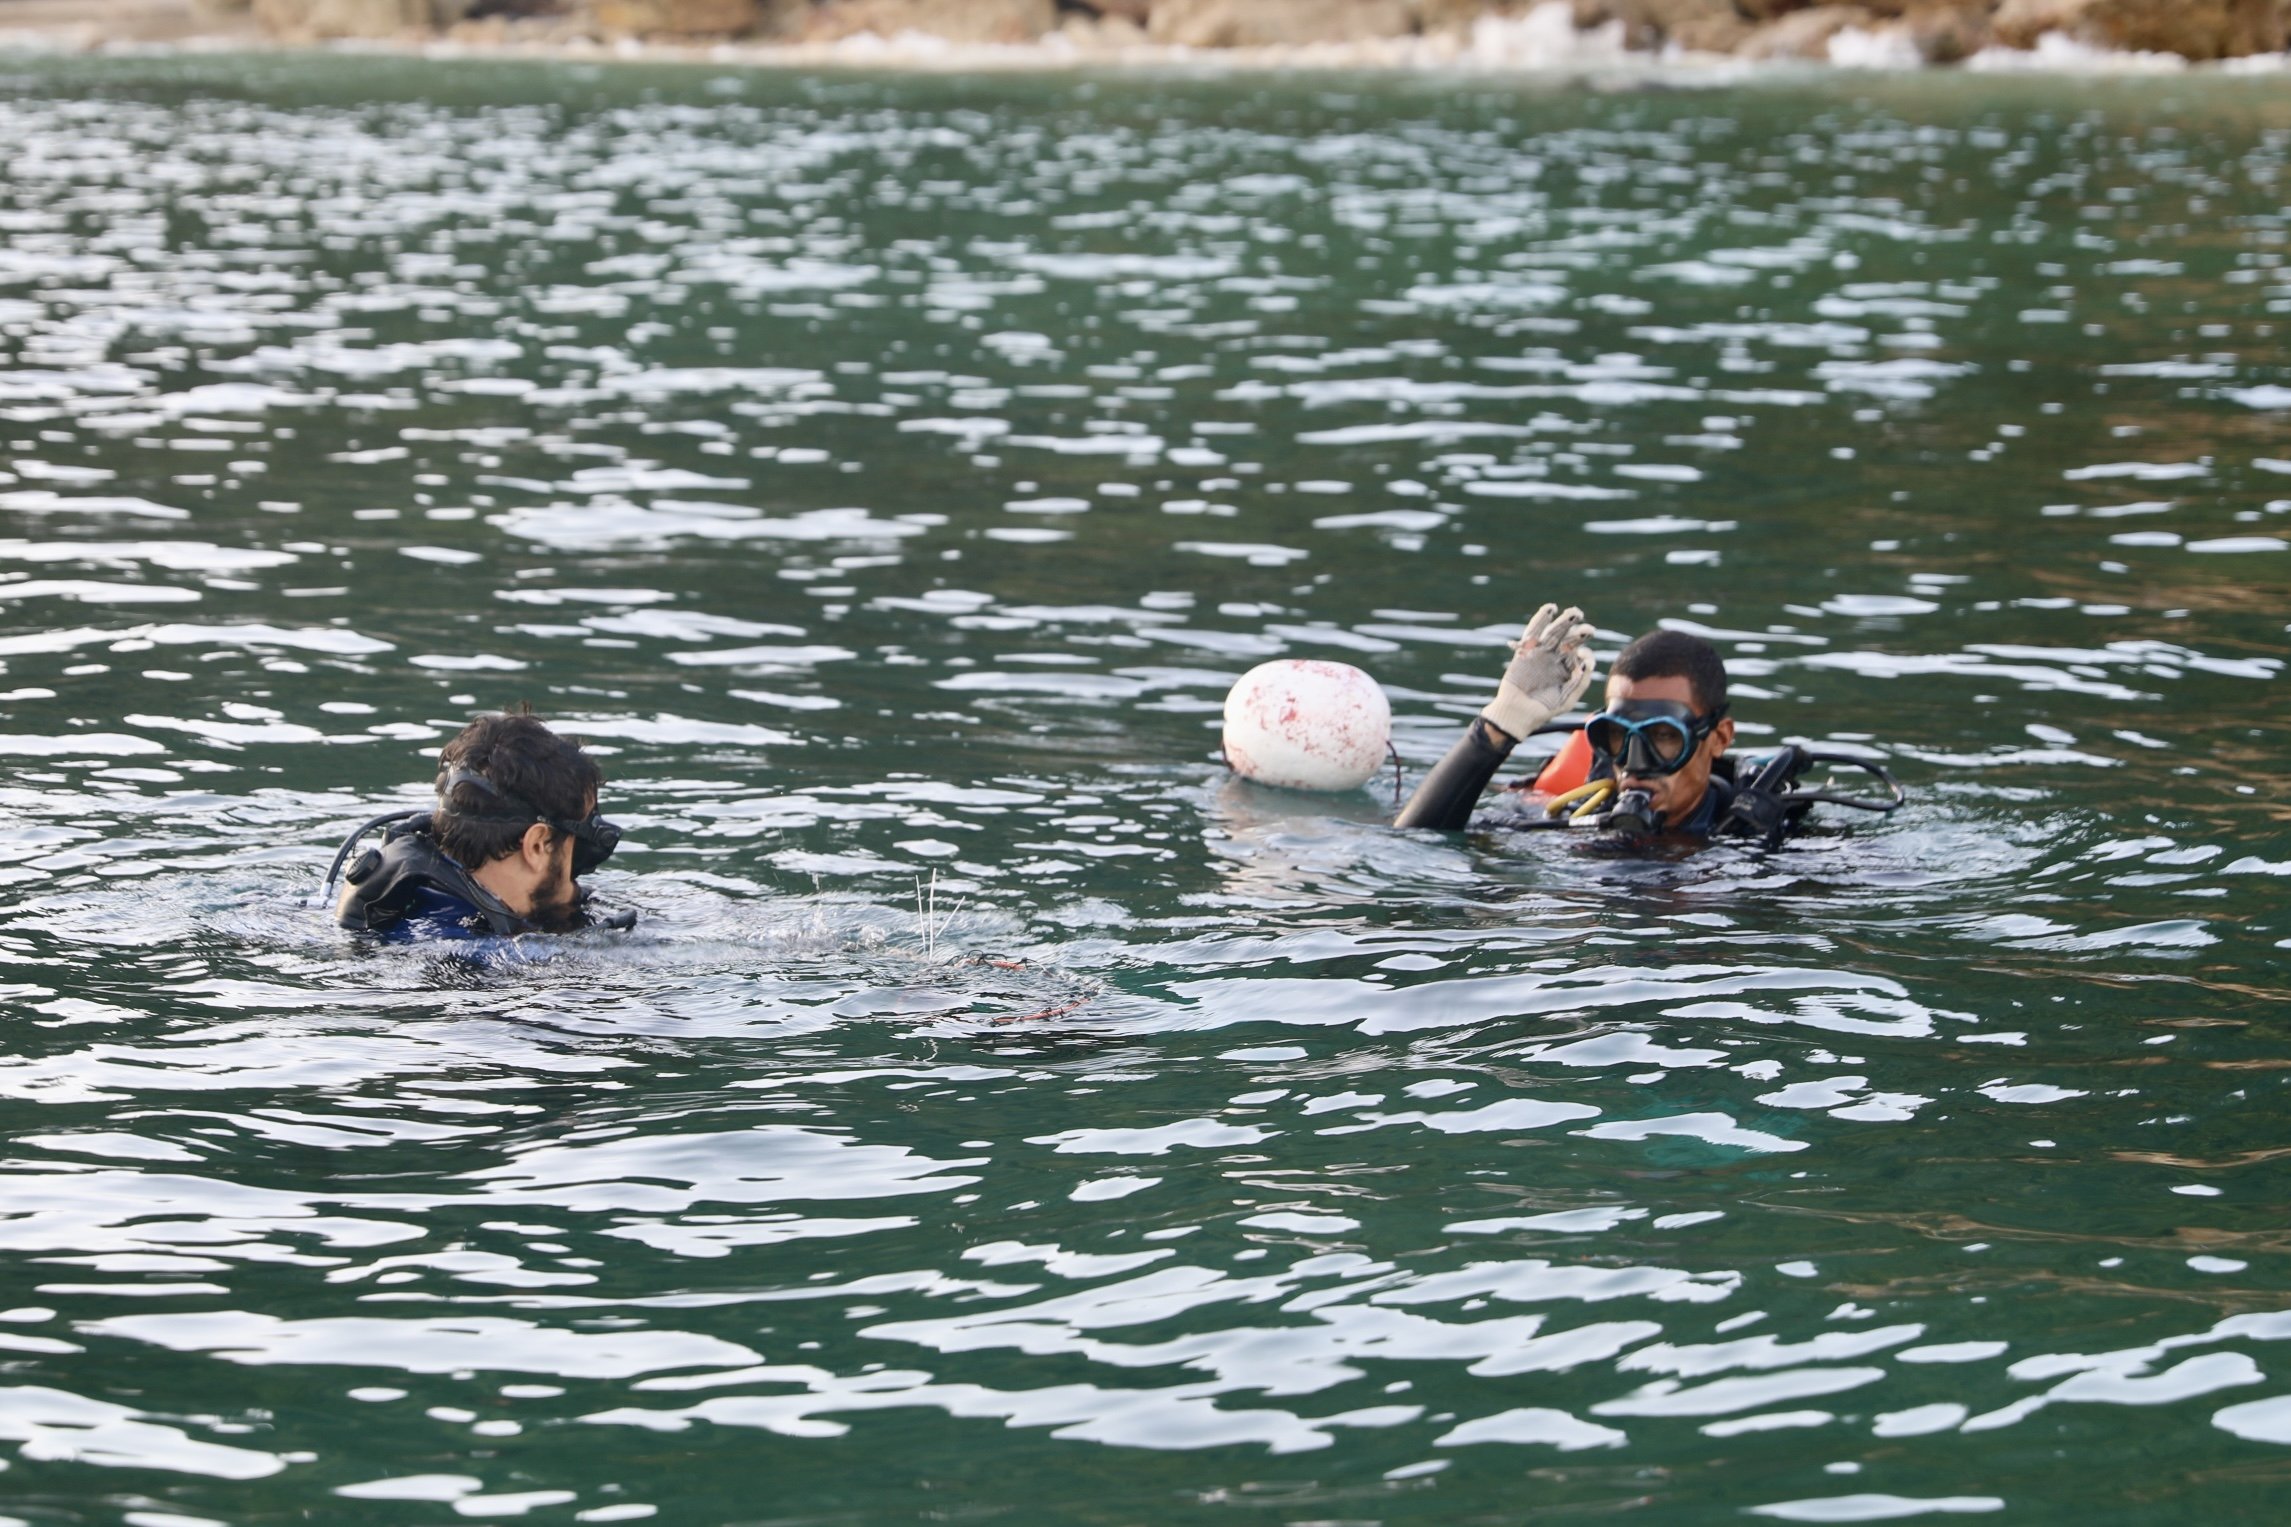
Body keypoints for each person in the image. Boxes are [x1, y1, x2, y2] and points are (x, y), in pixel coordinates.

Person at [1395, 609, 1741, 838]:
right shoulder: (1574, 820)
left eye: (1664, 737)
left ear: (1718, 737)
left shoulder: (1760, 838)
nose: (1634, 767)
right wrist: (1499, 725)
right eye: (1619, 736)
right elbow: (1416, 845)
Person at [332, 709, 628, 939]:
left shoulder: (395, 913)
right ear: (538, 844)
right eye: (580, 850)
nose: (578, 878)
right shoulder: (491, 963)